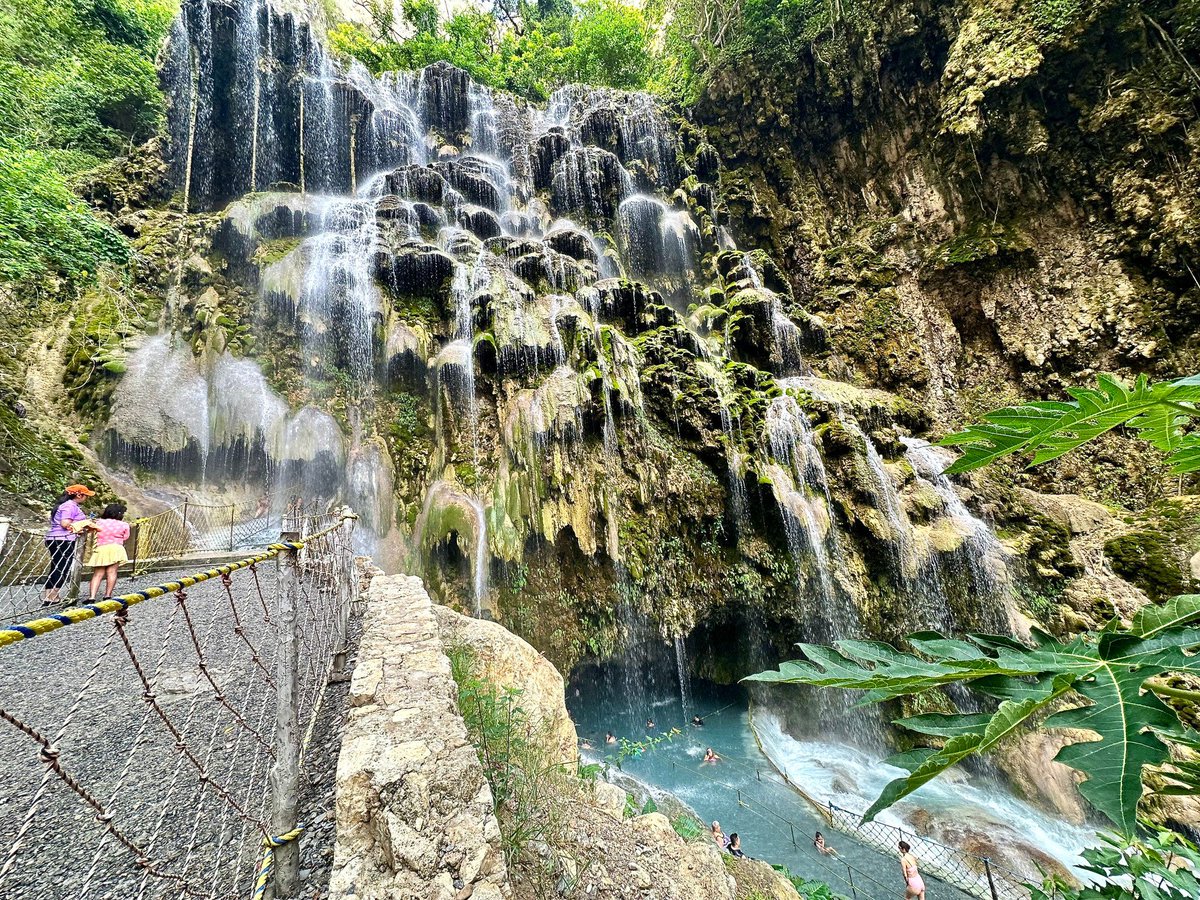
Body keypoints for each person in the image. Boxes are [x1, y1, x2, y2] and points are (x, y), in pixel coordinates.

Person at [42, 484, 94, 606]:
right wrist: (80, 527)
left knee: (56, 566)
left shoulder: (64, 505)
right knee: (62, 568)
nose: (86, 498)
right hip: (64, 540)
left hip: (55, 539)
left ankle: (50, 595)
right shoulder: (70, 506)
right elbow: (65, 523)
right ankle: (52, 597)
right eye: (85, 495)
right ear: (79, 495)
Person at [85, 503, 130, 602]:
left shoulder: (99, 522)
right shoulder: (124, 525)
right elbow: (126, 537)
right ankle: (107, 595)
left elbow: (92, 530)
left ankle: (92, 597)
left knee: (98, 573)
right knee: (112, 572)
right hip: (116, 548)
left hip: (102, 549)